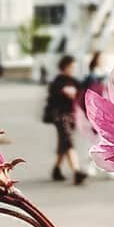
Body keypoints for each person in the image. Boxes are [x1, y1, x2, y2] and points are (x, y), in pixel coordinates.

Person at [44, 53, 84, 184]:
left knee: (63, 144)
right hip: (60, 116)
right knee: (68, 142)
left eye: (74, 67)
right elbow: (56, 96)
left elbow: (82, 93)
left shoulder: (75, 82)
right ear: (64, 67)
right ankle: (77, 172)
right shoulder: (58, 82)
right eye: (71, 67)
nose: (73, 70)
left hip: (72, 117)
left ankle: (56, 169)